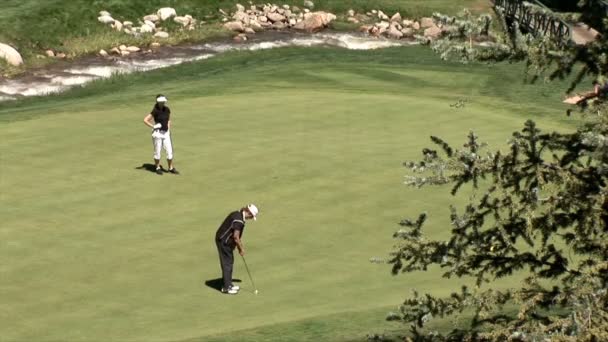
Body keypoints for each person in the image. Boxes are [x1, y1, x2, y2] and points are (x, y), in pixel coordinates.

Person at [215, 204, 259, 294]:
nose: (250, 218)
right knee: (227, 263)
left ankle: (228, 284)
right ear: (249, 213)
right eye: (251, 216)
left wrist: (234, 245)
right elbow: (236, 237)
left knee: (229, 261)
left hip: (223, 239)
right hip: (223, 241)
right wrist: (241, 248)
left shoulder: (237, 214)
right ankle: (226, 287)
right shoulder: (239, 221)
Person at [143, 95, 179, 175]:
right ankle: (157, 167)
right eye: (161, 102)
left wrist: (168, 128)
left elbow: (168, 120)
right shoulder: (155, 111)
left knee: (169, 151)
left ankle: (171, 168)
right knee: (157, 151)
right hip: (157, 133)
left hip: (166, 133)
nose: (163, 103)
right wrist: (153, 126)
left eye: (163, 102)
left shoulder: (167, 109)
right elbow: (145, 120)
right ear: (158, 102)